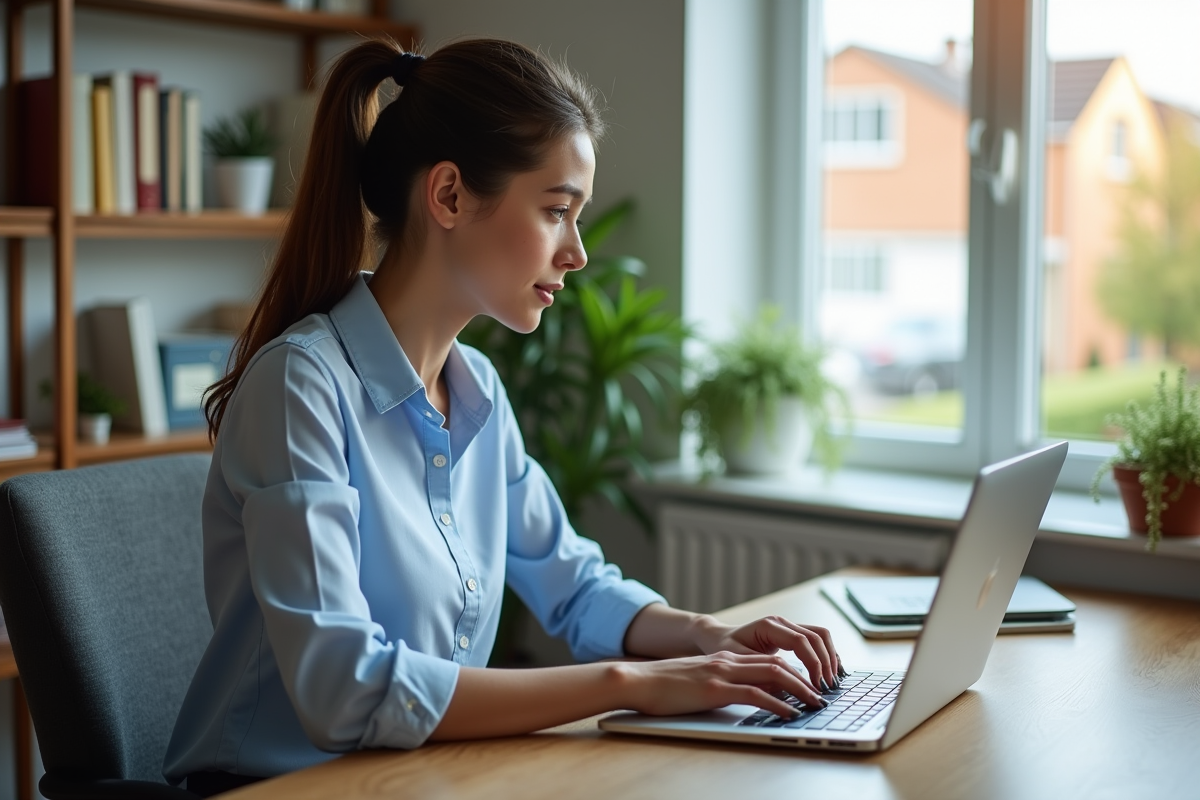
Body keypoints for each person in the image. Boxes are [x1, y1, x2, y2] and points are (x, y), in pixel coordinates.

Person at [164, 37, 843, 796]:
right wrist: (630, 682)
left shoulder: (476, 387)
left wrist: (708, 637)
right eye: (557, 211)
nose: (578, 252)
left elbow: (574, 585)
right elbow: (343, 690)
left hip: (420, 778)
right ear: (449, 195)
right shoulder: (301, 389)